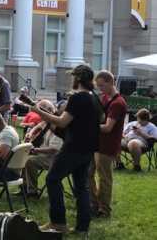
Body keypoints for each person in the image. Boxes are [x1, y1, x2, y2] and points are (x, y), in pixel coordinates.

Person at [32, 64, 101, 236]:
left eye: (73, 77)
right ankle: (82, 227)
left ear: (78, 78)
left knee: (52, 179)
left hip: (73, 148)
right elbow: (98, 119)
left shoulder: (77, 98)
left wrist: (39, 111)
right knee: (81, 187)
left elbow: (62, 122)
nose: (72, 80)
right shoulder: (95, 98)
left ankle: (58, 223)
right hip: (88, 149)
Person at [89, 70, 127, 217]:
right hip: (97, 143)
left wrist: (88, 126)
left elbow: (107, 127)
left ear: (111, 82)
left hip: (107, 145)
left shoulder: (118, 103)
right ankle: (94, 203)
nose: (100, 89)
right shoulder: (104, 97)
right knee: (88, 174)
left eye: (102, 85)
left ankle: (104, 210)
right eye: (98, 86)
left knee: (104, 178)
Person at [23, 101, 63, 197]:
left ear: (49, 111)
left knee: (29, 161)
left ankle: (32, 191)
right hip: (43, 154)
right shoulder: (46, 122)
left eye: (41, 113)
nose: (40, 116)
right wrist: (30, 134)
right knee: (22, 156)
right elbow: (37, 127)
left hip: (54, 158)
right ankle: (23, 187)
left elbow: (54, 150)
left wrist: (36, 150)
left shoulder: (57, 127)